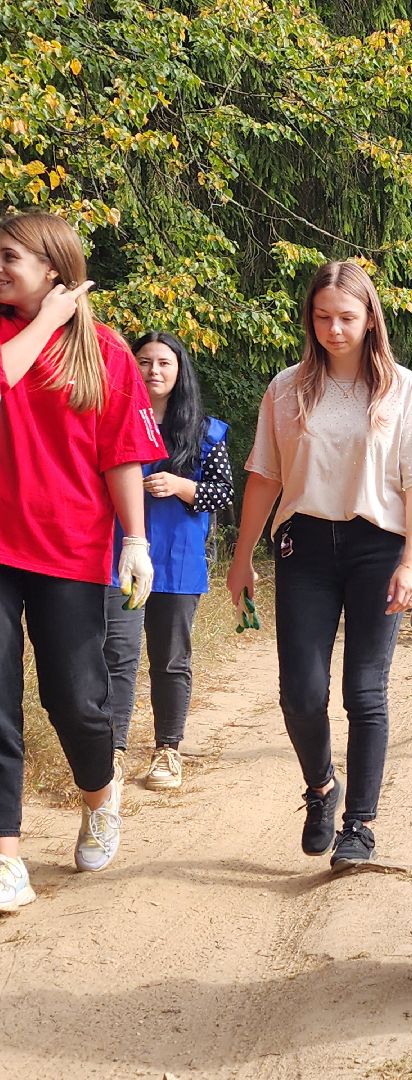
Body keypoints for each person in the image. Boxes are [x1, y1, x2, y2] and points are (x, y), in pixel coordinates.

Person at [226, 261, 412, 868]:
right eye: (322, 317)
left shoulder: (401, 389)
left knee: (365, 691)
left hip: (377, 544)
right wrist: (242, 556)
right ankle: (322, 787)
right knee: (301, 692)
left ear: (370, 318)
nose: (334, 329)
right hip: (303, 544)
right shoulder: (287, 389)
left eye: (346, 317)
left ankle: (360, 825)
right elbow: (263, 478)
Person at [0, 211, 162, 911]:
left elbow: (121, 454)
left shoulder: (103, 354)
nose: (0, 267)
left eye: (11, 258)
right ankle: (6, 856)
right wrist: (44, 320)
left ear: (54, 267)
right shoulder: (10, 338)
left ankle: (100, 795)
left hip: (69, 548)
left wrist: (135, 541)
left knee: (74, 698)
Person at [104, 332, 233, 792]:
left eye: (164, 363)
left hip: (178, 562)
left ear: (180, 372)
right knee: (116, 656)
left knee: (170, 659)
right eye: (144, 362)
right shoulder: (112, 420)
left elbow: (223, 493)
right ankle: (112, 753)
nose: (153, 371)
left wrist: (180, 486)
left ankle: (167, 750)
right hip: (117, 555)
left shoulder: (205, 431)